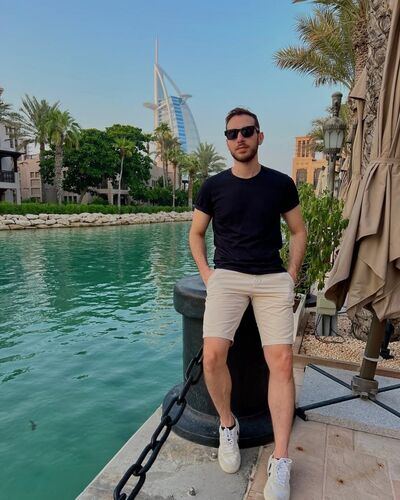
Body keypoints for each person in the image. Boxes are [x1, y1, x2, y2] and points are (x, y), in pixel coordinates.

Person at [189, 107, 307, 500]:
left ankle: (282, 458)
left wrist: (291, 273)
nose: (239, 138)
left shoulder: (280, 184)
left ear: (260, 136)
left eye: (247, 131)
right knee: (212, 356)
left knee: (282, 362)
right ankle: (228, 425)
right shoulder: (213, 186)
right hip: (227, 276)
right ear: (226, 140)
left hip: (272, 279)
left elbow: (298, 230)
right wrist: (208, 274)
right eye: (232, 133)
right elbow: (196, 234)